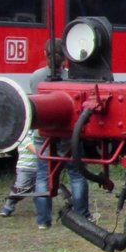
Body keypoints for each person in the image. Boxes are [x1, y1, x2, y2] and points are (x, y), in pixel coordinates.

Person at [30, 38, 91, 219]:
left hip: (43, 132)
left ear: (45, 54)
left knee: (42, 175)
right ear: (66, 56)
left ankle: (43, 219)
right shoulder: (72, 78)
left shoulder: (36, 77)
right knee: (77, 174)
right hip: (68, 133)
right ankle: (82, 215)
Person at [0, 130, 52, 229]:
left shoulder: (40, 131)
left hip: (40, 168)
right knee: (20, 189)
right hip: (25, 167)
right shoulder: (23, 134)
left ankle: (41, 211)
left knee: (40, 190)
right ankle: (9, 205)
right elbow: (35, 150)